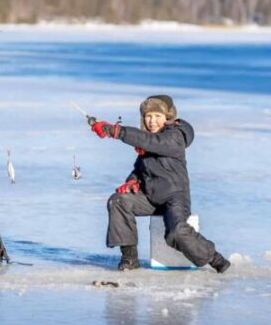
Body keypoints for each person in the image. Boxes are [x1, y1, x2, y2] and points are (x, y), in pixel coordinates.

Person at [90, 95, 231, 273]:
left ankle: (215, 259)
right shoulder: (147, 141)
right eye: (148, 116)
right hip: (150, 198)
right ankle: (129, 259)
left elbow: (156, 143)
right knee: (118, 201)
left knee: (177, 233)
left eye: (157, 116)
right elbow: (140, 168)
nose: (152, 121)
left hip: (174, 198)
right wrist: (133, 181)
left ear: (168, 117)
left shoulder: (175, 136)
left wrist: (117, 131)